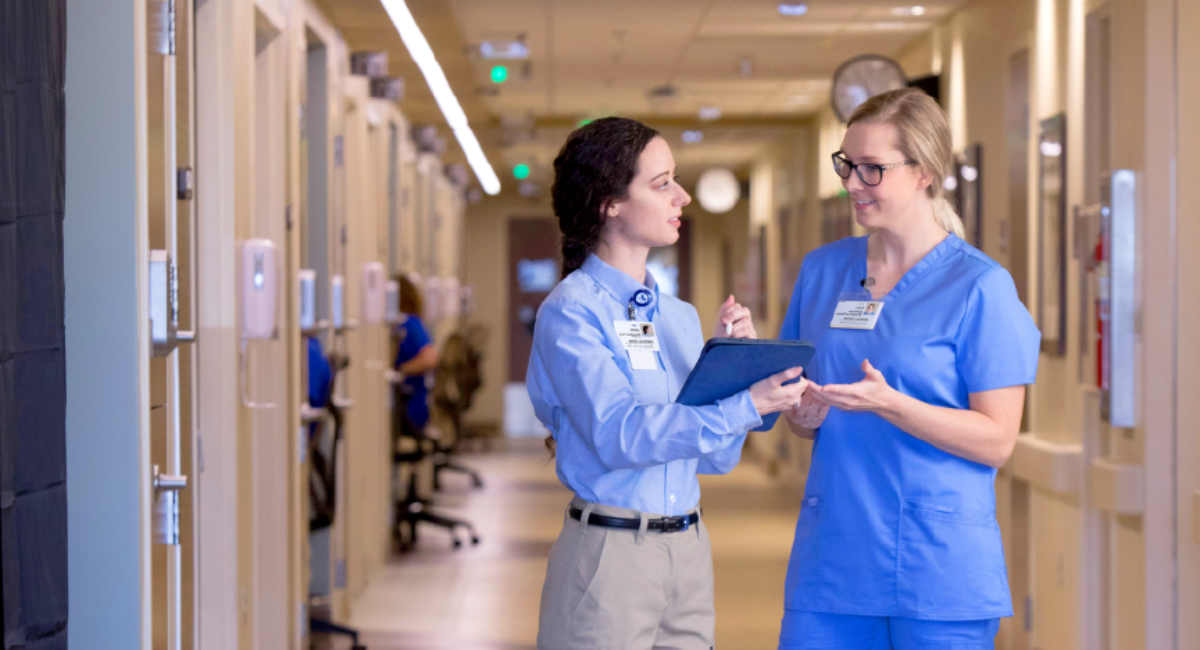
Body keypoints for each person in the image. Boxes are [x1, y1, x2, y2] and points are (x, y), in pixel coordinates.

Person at [527, 117, 811, 649]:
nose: (681, 196)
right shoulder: (570, 313)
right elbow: (621, 436)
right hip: (610, 556)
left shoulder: (676, 317)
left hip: (688, 548)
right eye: (661, 184)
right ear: (609, 203)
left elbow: (716, 458)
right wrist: (745, 405)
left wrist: (732, 372)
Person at [777, 88, 1040, 649]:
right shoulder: (823, 271)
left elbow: (996, 440)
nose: (851, 182)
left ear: (923, 172)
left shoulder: (979, 286)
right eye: (847, 164)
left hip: (938, 569)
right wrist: (804, 411)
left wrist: (891, 404)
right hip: (835, 560)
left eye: (873, 169)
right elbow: (800, 415)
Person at [392, 274, 439, 431]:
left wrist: (400, 371)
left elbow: (430, 359)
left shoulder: (410, 324)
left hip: (411, 403)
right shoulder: (401, 324)